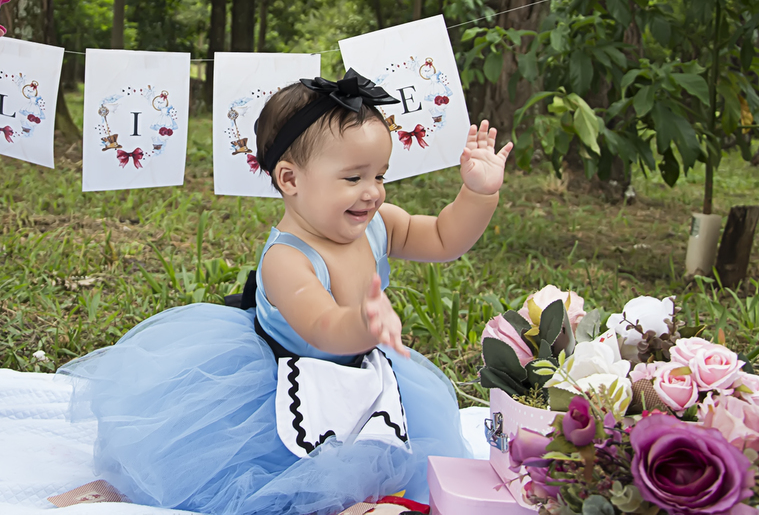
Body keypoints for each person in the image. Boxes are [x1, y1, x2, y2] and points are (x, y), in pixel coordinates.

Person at [59, 69, 514, 515]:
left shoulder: (378, 224)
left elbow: (441, 240)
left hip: (357, 373)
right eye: (354, 178)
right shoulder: (287, 259)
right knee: (274, 482)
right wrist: (362, 322)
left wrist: (477, 194)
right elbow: (321, 325)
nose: (373, 192)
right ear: (290, 180)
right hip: (284, 383)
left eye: (381, 175)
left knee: (391, 456)